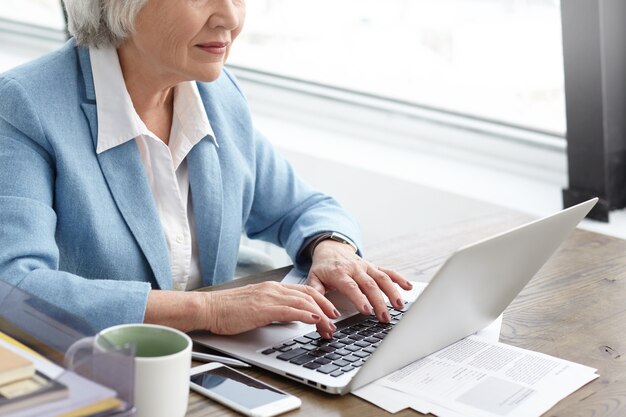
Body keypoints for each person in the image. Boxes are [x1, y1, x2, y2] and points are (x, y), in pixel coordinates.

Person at [0, 0, 412, 338]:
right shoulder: (25, 106)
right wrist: (208, 309)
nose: (231, 19)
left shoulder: (216, 95)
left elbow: (300, 208)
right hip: (94, 375)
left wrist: (332, 249)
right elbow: (13, 287)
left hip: (210, 366)